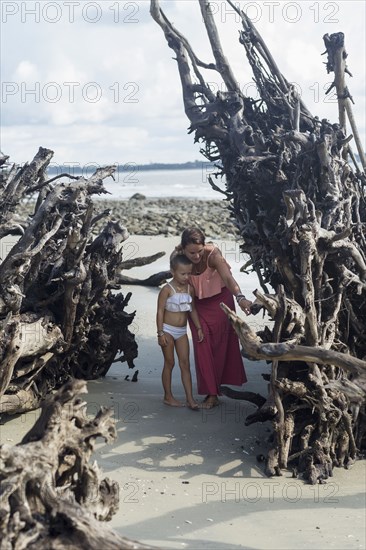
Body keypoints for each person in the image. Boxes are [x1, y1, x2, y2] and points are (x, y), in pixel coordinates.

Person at [176, 227, 253, 409]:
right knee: (202, 346)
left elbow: (227, 278)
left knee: (220, 345)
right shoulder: (178, 256)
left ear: (204, 246)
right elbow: (177, 283)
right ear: (183, 249)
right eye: (192, 253)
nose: (196, 256)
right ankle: (211, 395)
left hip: (220, 301)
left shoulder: (213, 255)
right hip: (196, 305)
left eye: (199, 251)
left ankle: (215, 389)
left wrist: (240, 298)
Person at [156, 253, 204, 410]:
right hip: (168, 330)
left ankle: (190, 399)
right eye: (182, 273)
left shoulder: (190, 289)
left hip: (182, 332)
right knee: (170, 363)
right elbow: (160, 312)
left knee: (185, 364)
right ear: (172, 272)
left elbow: (193, 310)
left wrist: (198, 328)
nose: (186, 277)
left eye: (189, 273)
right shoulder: (166, 290)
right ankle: (167, 396)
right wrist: (160, 332)